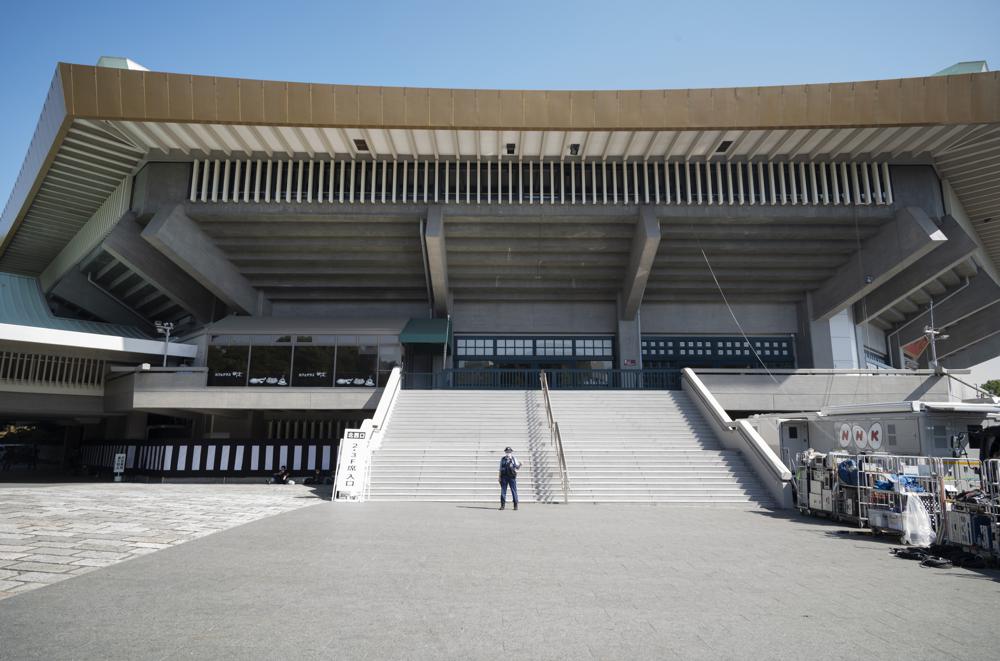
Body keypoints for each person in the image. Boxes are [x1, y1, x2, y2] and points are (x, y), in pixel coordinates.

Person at [498, 446, 521, 511]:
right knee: (503, 491)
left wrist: (520, 464)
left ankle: (515, 505)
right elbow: (500, 469)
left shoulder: (513, 459)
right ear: (505, 452)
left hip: (511, 477)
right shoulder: (503, 459)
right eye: (507, 452)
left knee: (514, 491)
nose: (508, 453)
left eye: (509, 452)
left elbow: (517, 467)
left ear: (511, 452)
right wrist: (499, 477)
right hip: (504, 477)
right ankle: (502, 505)